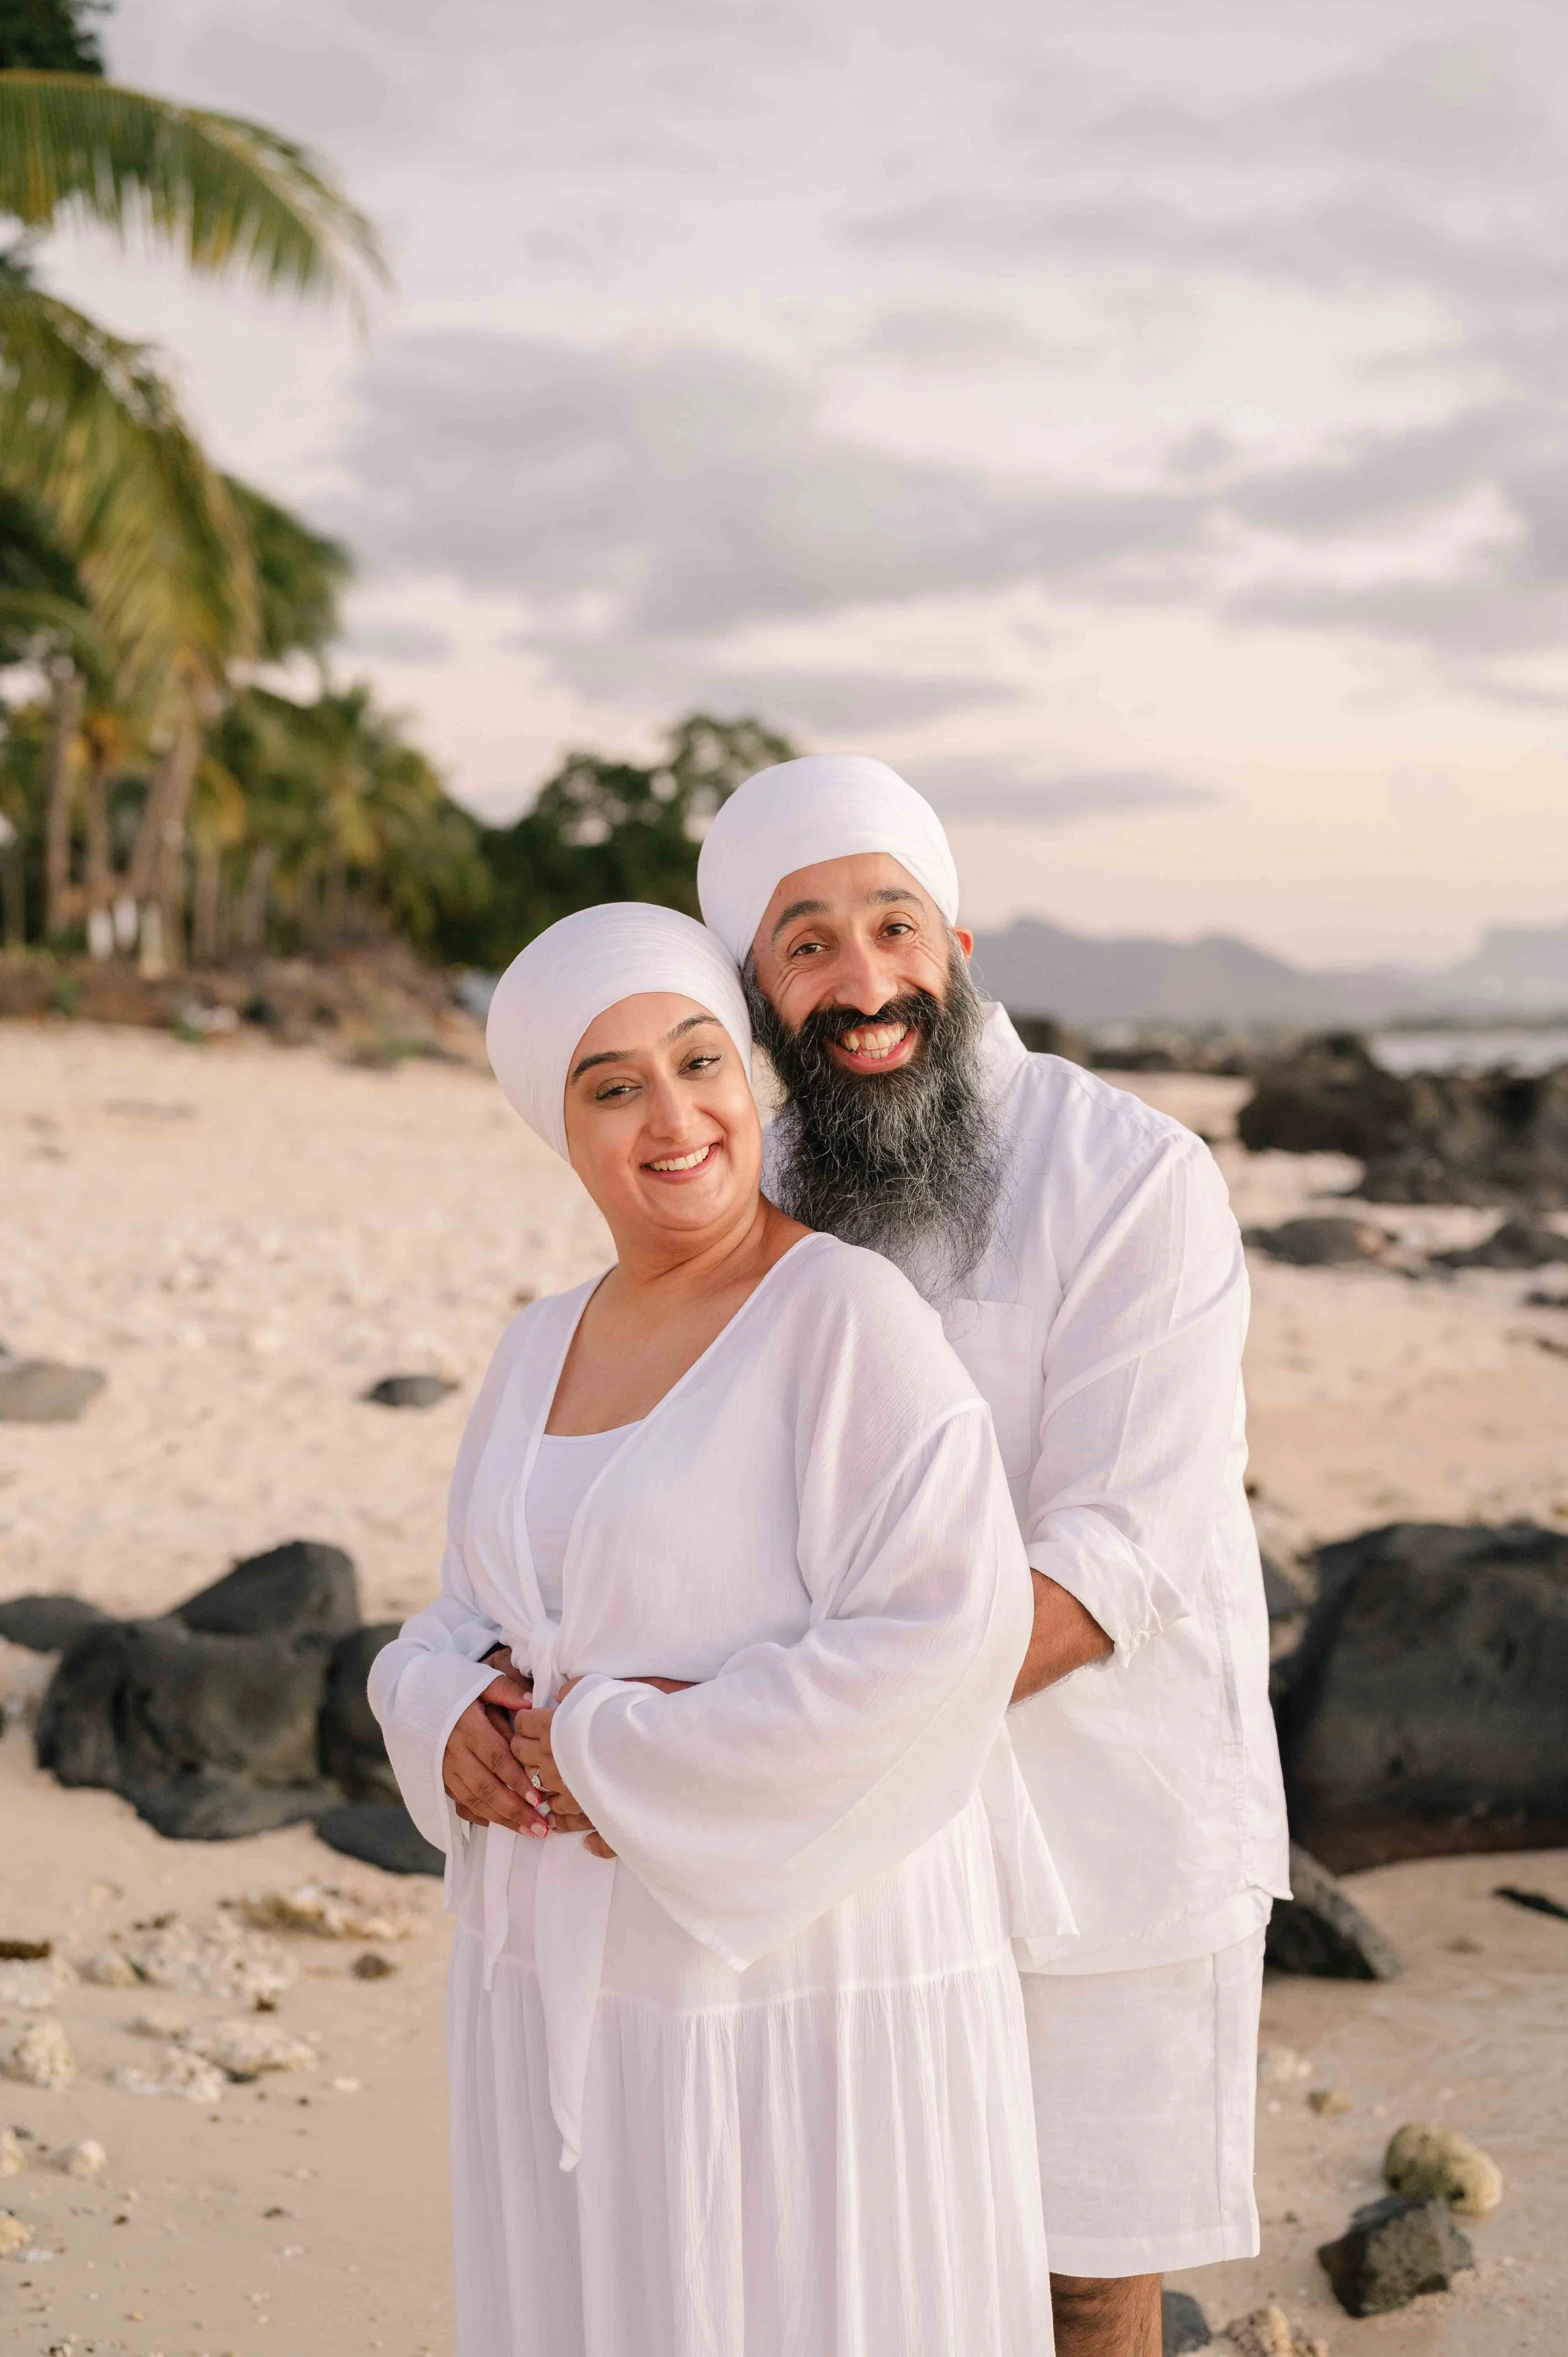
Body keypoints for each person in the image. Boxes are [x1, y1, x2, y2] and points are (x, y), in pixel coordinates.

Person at [369, 900, 1071, 2357]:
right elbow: (471, 1605)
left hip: (788, 1980)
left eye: (699, 1063)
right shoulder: (532, 1347)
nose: (672, 1117)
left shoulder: (843, 1316)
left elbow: (947, 1632)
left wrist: (623, 1750)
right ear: (557, 1127)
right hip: (560, 1970)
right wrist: (440, 1716)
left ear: (748, 1078)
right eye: (611, 1086)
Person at [686, 755, 1292, 2357]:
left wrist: (801, 1737)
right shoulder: (752, 1197)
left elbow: (1116, 1555)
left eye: (893, 925)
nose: (861, 980)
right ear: (754, 994)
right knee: (874, 2273)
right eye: (805, 943)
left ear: (955, 948)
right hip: (847, 1857)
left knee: (1087, 2277)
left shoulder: (1130, 1174)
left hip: (1104, 1824)